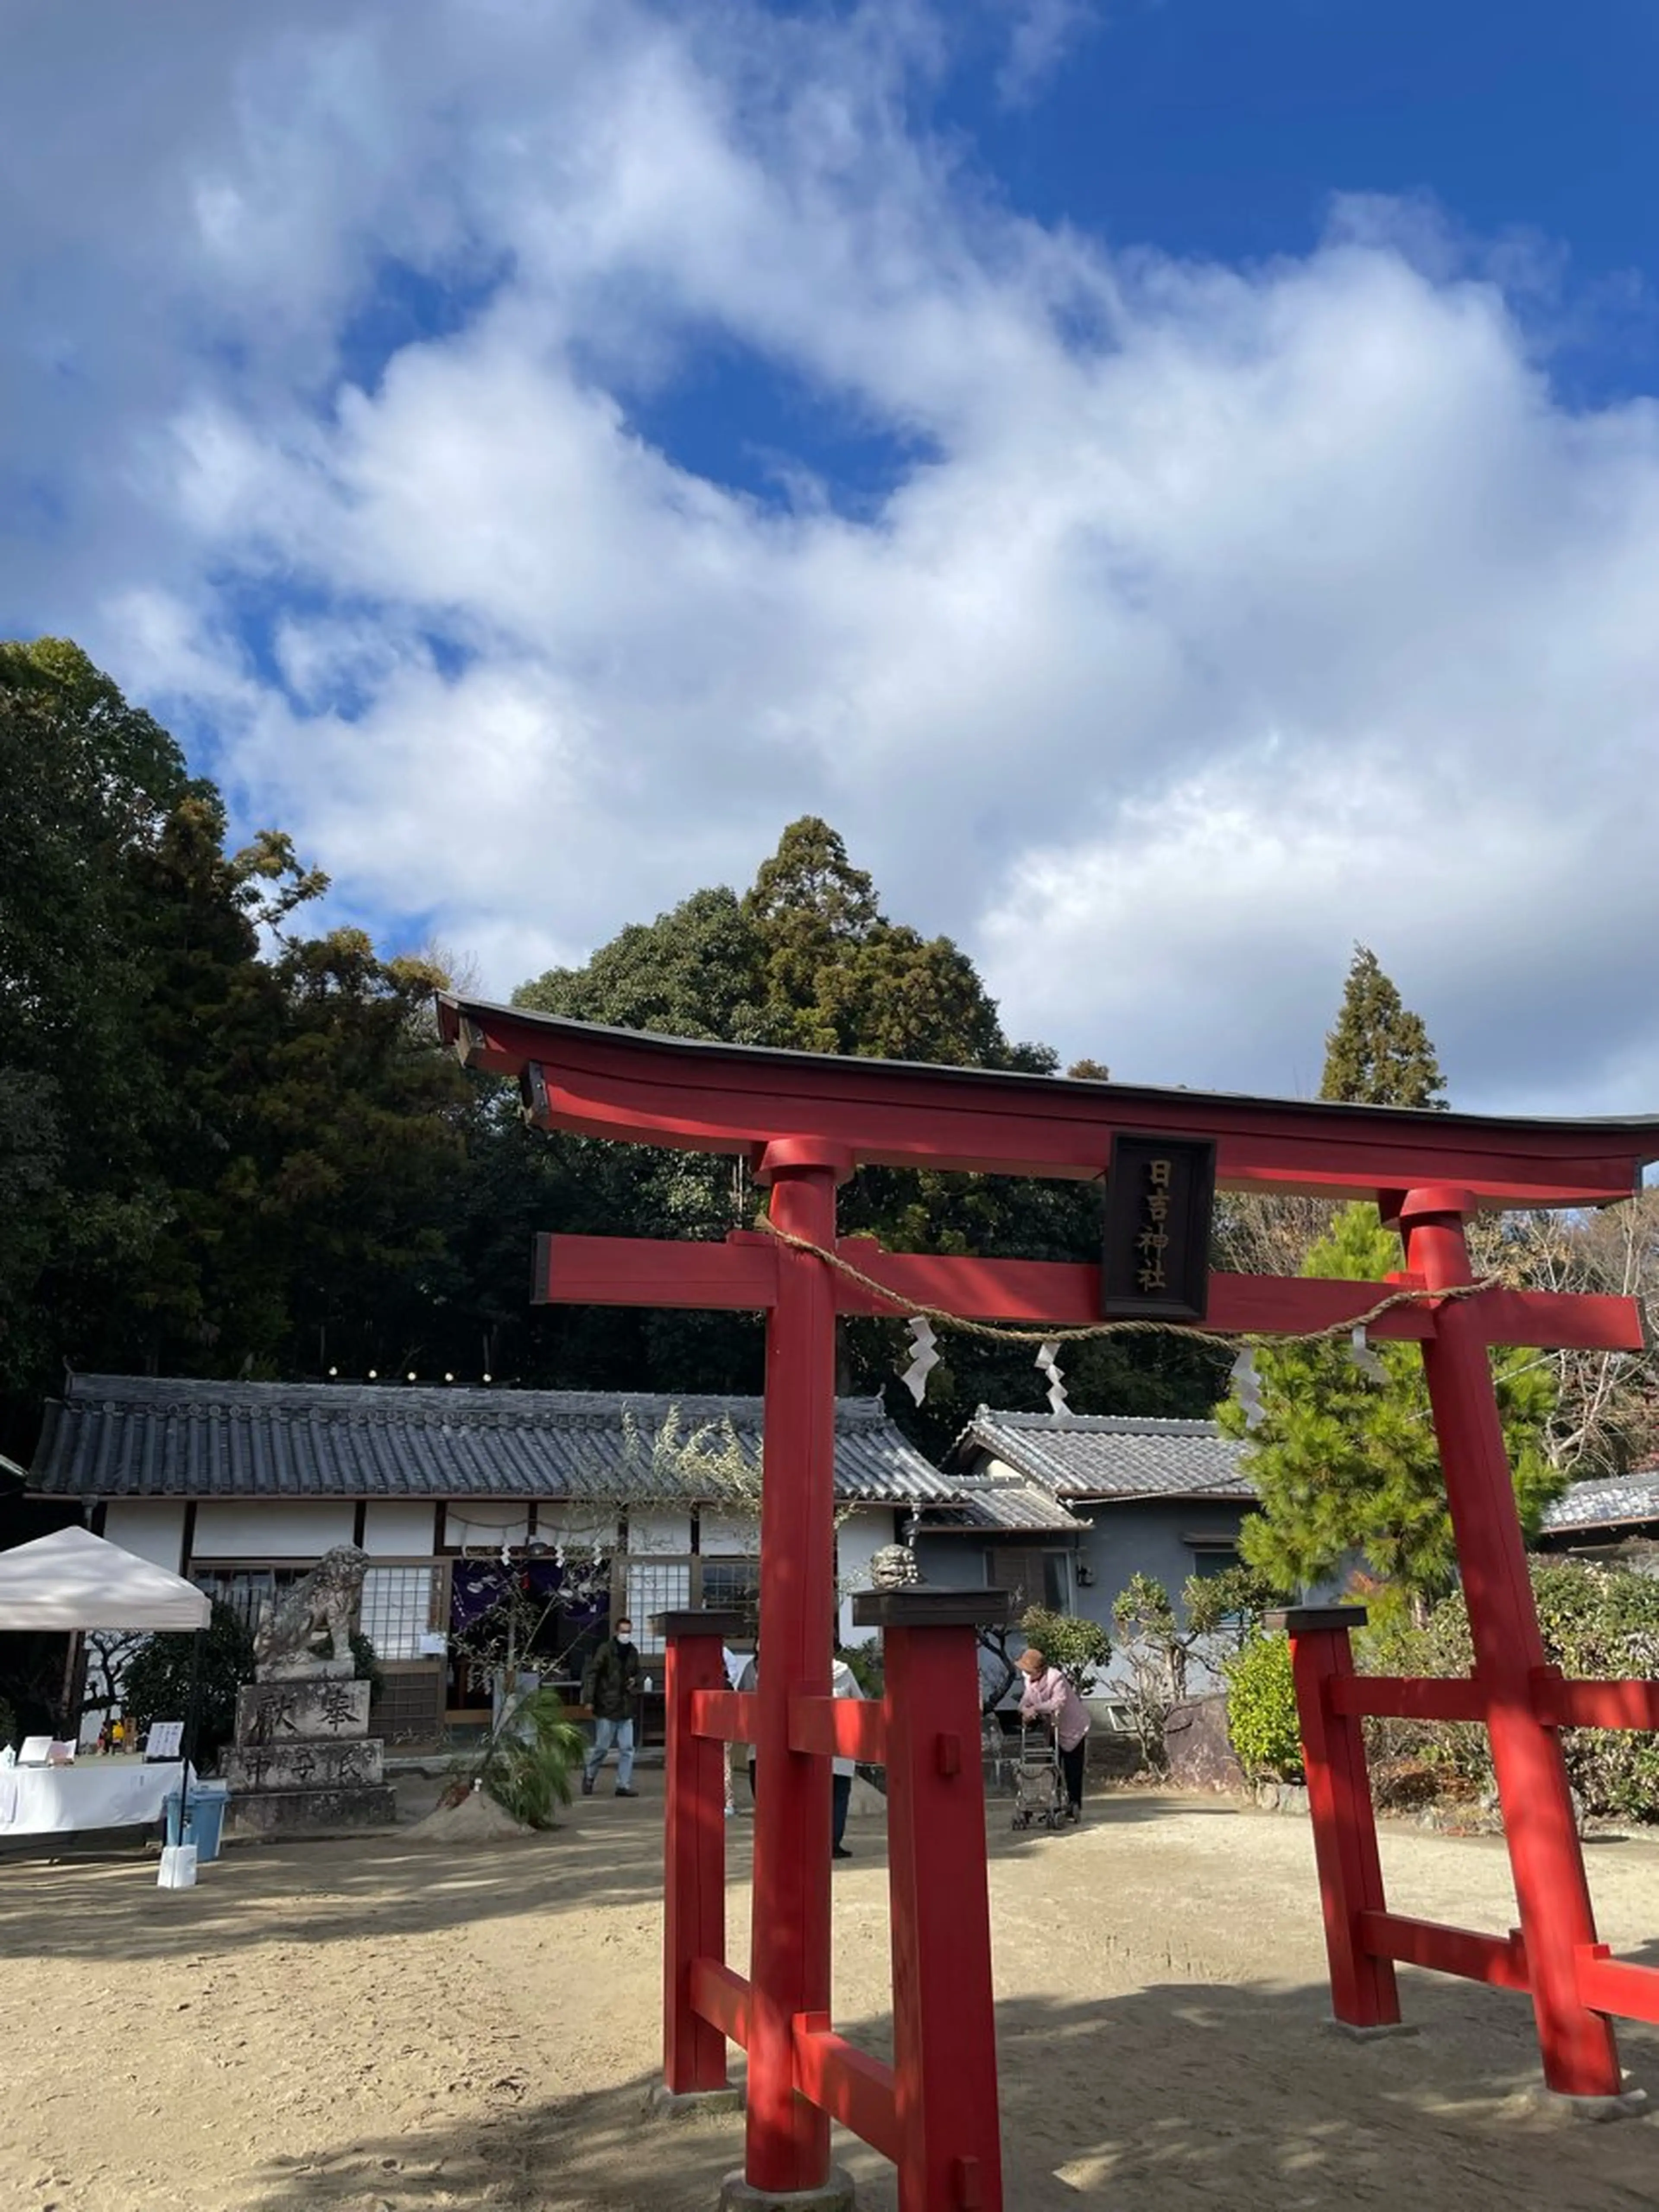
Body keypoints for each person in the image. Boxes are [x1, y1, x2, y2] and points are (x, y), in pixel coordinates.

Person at [1017, 1645, 1090, 1821]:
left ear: (1040, 1670)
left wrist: (1034, 1709)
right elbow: (1023, 1702)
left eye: (1029, 1669)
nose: (1025, 1672)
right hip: (1054, 1727)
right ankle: (1052, 1804)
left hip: (1074, 1727)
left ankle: (1073, 1806)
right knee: (1051, 1767)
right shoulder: (1029, 1680)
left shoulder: (1055, 1678)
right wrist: (1025, 1711)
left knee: (1072, 1769)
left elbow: (1058, 1703)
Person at [580, 1616, 642, 1797]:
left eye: (629, 1632)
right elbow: (593, 1674)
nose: (626, 1635)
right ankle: (590, 1775)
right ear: (617, 1632)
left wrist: (635, 1681)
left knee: (627, 1749)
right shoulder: (606, 1650)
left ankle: (623, 1784)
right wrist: (589, 1699)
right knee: (602, 1747)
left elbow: (639, 1673)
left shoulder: (633, 1652)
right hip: (607, 1705)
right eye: (624, 1631)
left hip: (626, 1706)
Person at [830, 1650, 865, 1860]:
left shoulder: (805, 1669)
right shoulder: (844, 1671)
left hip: (813, 1746)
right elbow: (860, 1701)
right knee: (839, 1797)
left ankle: (816, 1840)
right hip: (843, 1744)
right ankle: (834, 1843)